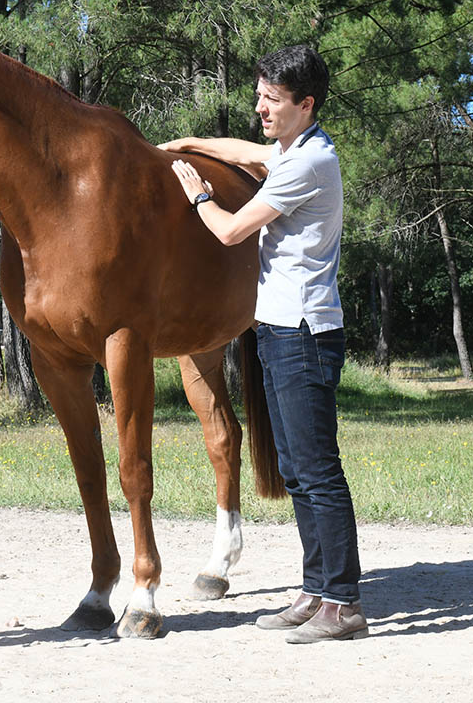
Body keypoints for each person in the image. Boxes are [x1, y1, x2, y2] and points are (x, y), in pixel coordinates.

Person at [159, 44, 367, 643]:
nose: (260, 109)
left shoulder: (309, 164)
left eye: (272, 100)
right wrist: (185, 145)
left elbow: (227, 231)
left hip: (304, 333)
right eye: (258, 96)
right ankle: (315, 589)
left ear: (306, 104)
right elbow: (244, 151)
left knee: (319, 469)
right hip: (277, 330)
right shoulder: (288, 150)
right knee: (297, 469)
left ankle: (345, 603)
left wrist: (197, 190)